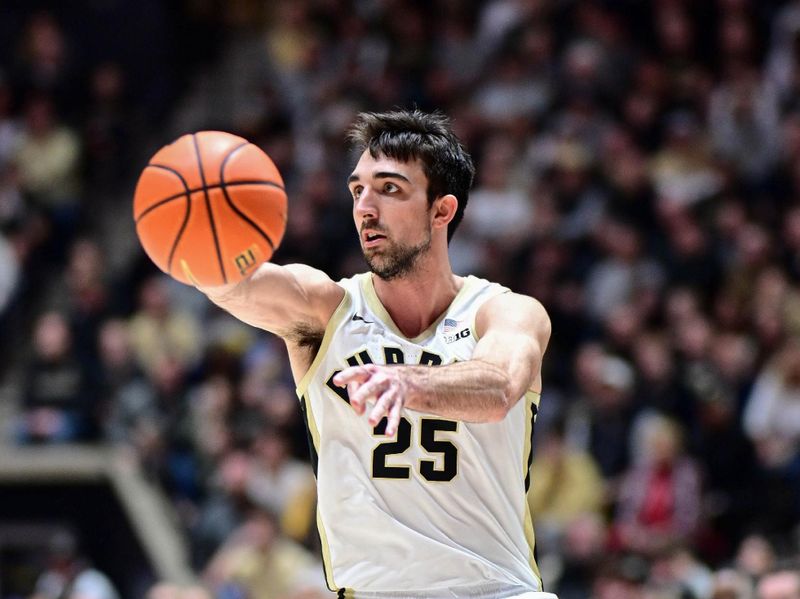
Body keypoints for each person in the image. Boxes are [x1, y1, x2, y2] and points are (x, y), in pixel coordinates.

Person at [197, 110, 553, 598]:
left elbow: (497, 388)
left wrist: (410, 382)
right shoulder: (326, 311)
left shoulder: (506, 312)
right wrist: (194, 233)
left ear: (441, 211)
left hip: (496, 591)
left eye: (389, 189)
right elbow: (234, 286)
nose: (365, 207)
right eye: (357, 190)